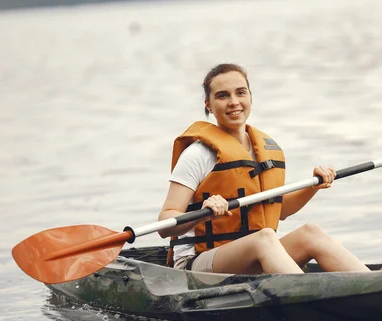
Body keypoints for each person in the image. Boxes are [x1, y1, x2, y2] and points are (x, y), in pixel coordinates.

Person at [158, 63, 370, 274]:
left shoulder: (264, 150)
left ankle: (372, 284)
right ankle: (309, 296)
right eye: (222, 96)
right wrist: (203, 214)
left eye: (240, 93)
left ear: (250, 97)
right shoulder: (198, 154)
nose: (234, 102)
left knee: (310, 233)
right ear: (208, 105)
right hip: (197, 264)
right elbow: (165, 224)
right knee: (265, 238)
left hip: (253, 252)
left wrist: (313, 186)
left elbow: (281, 210)